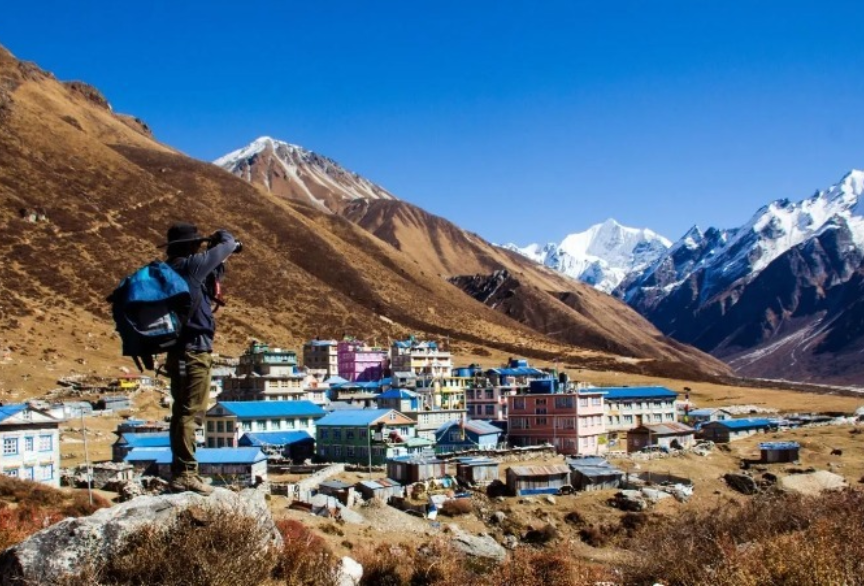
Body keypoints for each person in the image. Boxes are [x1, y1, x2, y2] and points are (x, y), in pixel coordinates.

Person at [160, 222, 238, 494]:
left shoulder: (173, 269)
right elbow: (228, 245)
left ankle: (182, 470)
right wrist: (221, 238)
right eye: (198, 245)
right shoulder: (190, 266)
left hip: (181, 350)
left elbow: (214, 275)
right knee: (190, 413)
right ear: (192, 246)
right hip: (193, 351)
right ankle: (185, 473)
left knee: (183, 410)